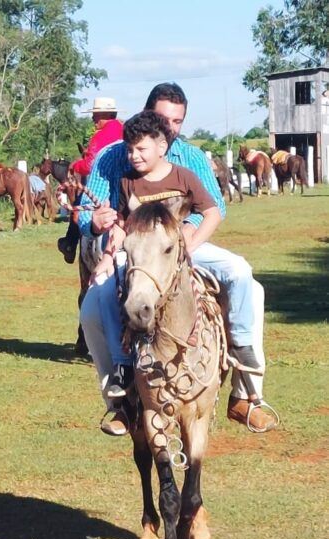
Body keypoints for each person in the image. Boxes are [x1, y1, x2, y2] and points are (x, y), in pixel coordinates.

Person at [79, 83, 277, 436]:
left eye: (178, 120)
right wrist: (94, 224)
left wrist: (188, 231)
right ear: (147, 118)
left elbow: (215, 206)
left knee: (245, 277)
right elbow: (88, 213)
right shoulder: (116, 158)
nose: (171, 127)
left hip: (187, 245)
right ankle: (120, 398)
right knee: (93, 305)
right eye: (163, 119)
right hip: (136, 250)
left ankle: (247, 392)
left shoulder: (191, 159)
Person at [93, 111, 222, 397]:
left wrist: (191, 244)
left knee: (237, 274)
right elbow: (123, 226)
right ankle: (123, 363)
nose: (133, 156)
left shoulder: (183, 176)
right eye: (129, 149)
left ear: (161, 147)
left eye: (140, 149)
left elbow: (212, 213)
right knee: (105, 294)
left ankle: (237, 356)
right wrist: (105, 258)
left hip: (180, 250)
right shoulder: (128, 182)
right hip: (142, 254)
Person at [57, 97, 123, 264]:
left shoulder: (100, 136)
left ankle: (70, 244)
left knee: (79, 205)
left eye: (96, 115)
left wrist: (75, 165)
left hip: (106, 186)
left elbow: (90, 165)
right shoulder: (125, 129)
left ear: (106, 114)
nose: (93, 118)